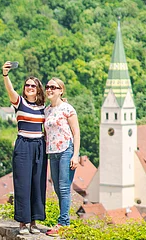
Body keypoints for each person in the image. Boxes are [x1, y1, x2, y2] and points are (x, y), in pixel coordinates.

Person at [2, 61, 47, 235]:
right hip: (23, 145)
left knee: (37, 183)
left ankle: (34, 222)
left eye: (33, 86)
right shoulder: (19, 103)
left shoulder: (43, 107)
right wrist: (5, 75)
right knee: (22, 184)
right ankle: (23, 222)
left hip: (39, 146)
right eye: (27, 85)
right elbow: (10, 91)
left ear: (38, 89)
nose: (29, 87)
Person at [44, 77, 81, 237]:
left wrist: (76, 154)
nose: (50, 90)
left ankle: (64, 223)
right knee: (57, 188)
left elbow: (76, 132)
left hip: (66, 150)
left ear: (61, 90)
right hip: (52, 152)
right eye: (48, 87)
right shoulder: (47, 110)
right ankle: (63, 220)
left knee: (64, 187)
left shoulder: (67, 109)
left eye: (53, 87)